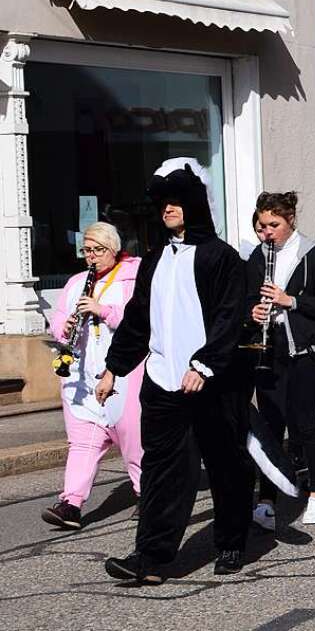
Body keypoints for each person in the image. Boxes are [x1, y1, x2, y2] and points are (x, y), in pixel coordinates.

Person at [96, 158, 251, 583]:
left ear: (194, 204)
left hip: (211, 383)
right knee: (162, 470)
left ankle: (232, 541)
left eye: (176, 201)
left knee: (225, 464)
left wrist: (204, 363)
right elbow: (136, 320)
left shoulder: (221, 257)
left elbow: (229, 317)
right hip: (162, 382)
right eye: (163, 202)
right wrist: (113, 369)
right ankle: (150, 558)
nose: (167, 209)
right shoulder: (153, 260)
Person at [248, 192, 315, 529]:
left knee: (305, 423)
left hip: (305, 352)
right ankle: (267, 500)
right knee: (270, 427)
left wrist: (291, 301)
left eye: (275, 225)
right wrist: (252, 312)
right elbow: (245, 298)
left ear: (291, 222)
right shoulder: (256, 258)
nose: (267, 232)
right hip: (268, 351)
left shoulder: (313, 255)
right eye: (262, 226)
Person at [42, 222, 143, 530]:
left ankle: (148, 496)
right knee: (83, 443)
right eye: (87, 250)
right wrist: (66, 328)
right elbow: (57, 325)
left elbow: (141, 320)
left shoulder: (133, 277)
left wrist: (103, 310)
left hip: (124, 373)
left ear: (114, 250)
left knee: (134, 442)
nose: (91, 257)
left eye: (98, 250)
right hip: (82, 376)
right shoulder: (75, 283)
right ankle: (70, 504)